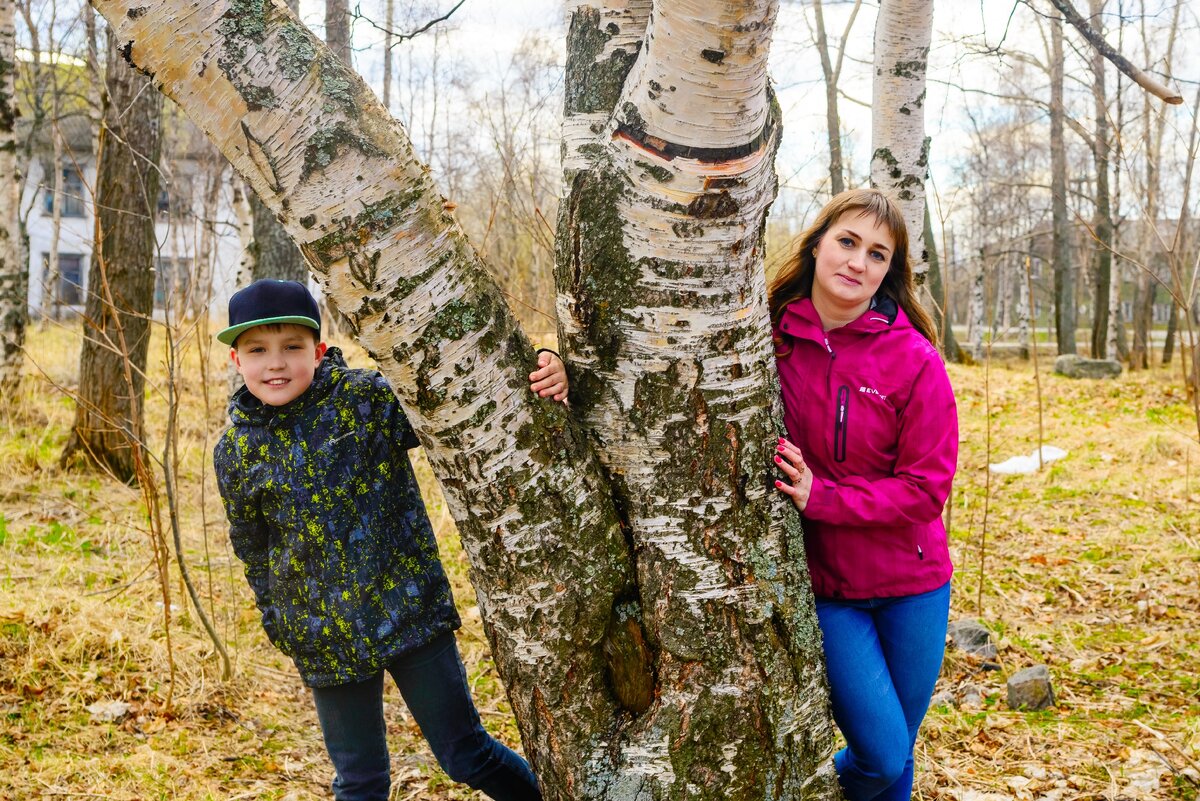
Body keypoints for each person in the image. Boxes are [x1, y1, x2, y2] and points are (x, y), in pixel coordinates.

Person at [213, 279, 562, 801]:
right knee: (360, 783)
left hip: (408, 609)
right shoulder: (236, 451)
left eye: (292, 347)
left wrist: (545, 363)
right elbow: (252, 546)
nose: (276, 364)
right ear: (237, 361)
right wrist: (280, 620)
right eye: (258, 350)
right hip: (324, 633)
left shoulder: (365, 400)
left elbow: (467, 394)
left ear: (319, 351)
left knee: (466, 754)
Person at [768, 189, 958, 801]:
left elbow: (926, 489)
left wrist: (823, 497)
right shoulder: (765, 338)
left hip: (914, 586)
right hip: (831, 589)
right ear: (816, 244)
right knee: (882, 754)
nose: (858, 262)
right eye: (847, 241)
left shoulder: (915, 359)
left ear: (889, 271)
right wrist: (569, 366)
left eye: (877, 254)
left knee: (897, 756)